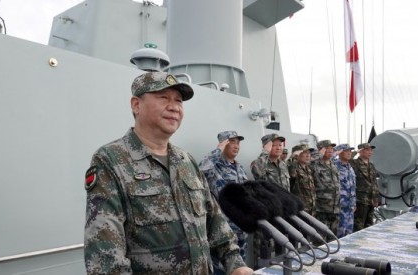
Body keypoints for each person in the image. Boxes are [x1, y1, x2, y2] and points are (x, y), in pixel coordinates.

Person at [83, 71, 253, 275]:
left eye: (179, 101)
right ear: (136, 105)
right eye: (163, 98)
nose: (174, 107)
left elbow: (214, 219)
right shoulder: (110, 160)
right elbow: (105, 255)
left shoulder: (186, 161)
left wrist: (236, 264)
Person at [199, 130, 249, 274]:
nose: (236, 146)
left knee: (240, 267)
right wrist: (218, 149)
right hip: (222, 229)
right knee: (220, 269)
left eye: (238, 143)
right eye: (232, 142)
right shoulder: (214, 166)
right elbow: (201, 169)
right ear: (223, 144)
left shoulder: (239, 167)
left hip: (240, 227)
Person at [310, 140, 340, 239]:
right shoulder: (314, 164)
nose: (331, 150)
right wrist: (319, 154)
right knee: (320, 239)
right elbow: (308, 162)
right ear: (320, 150)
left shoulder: (333, 164)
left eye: (332, 148)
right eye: (327, 148)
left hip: (335, 207)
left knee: (333, 238)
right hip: (321, 208)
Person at [350, 143, 379, 231]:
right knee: (358, 226)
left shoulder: (371, 165)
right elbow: (347, 159)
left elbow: (374, 183)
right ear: (361, 151)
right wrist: (355, 152)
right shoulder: (355, 163)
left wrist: (376, 198)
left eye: (371, 150)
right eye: (367, 150)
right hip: (360, 200)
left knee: (369, 226)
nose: (370, 152)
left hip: (370, 200)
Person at [334, 144, 356, 238]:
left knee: (349, 233)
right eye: (346, 151)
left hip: (350, 206)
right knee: (339, 233)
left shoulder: (350, 167)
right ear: (340, 153)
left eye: (350, 151)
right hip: (340, 205)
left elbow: (353, 186)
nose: (349, 153)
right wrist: (335, 153)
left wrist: (354, 203)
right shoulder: (334, 165)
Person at [288, 144, 316, 215]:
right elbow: (289, 167)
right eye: (304, 153)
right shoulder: (293, 167)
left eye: (309, 153)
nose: (308, 155)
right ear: (297, 155)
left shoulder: (309, 169)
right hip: (300, 210)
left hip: (312, 209)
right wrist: (293, 156)